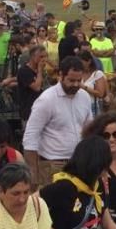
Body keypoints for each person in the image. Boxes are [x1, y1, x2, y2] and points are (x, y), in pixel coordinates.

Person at [23, 56, 93, 187]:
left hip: (79, 163)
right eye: (71, 80)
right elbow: (30, 137)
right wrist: (33, 173)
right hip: (52, 165)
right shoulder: (46, 100)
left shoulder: (84, 97)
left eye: (79, 80)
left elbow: (89, 129)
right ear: (60, 75)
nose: (76, 85)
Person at [16, 44, 46, 124]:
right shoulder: (24, 71)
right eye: (41, 57)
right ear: (33, 57)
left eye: (45, 57)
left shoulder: (41, 71)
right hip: (29, 112)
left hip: (41, 111)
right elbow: (36, 88)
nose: (43, 59)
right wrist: (40, 71)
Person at [79, 49, 108, 118]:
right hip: (79, 106)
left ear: (89, 61)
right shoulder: (79, 74)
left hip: (92, 106)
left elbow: (100, 94)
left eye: (81, 62)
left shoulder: (97, 74)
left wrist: (84, 87)